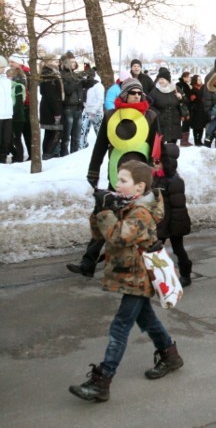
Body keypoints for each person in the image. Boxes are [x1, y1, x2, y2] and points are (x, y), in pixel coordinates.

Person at [68, 160, 183, 402]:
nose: (116, 185)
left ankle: (102, 380)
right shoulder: (125, 205)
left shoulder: (141, 212)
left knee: (120, 326)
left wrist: (105, 213)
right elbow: (99, 234)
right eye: (117, 179)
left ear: (139, 187)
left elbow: (119, 237)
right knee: (147, 319)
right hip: (130, 274)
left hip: (138, 276)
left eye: (123, 181)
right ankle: (170, 356)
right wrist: (99, 210)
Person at [66, 78, 158, 277]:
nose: (136, 96)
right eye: (132, 92)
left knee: (140, 221)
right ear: (124, 94)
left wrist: (155, 172)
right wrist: (93, 171)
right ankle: (88, 263)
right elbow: (100, 146)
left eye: (139, 93)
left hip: (140, 177)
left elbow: (155, 147)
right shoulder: (111, 116)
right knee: (103, 216)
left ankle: (146, 264)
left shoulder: (150, 116)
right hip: (118, 174)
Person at [152, 141, 193, 286]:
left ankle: (186, 273)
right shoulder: (156, 178)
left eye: (158, 161)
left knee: (178, 249)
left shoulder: (175, 181)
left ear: (167, 163)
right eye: (154, 161)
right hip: (161, 221)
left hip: (174, 222)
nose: (155, 164)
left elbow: (178, 207)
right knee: (155, 249)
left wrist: (176, 227)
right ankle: (158, 276)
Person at [39, 54, 63, 160]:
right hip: (51, 109)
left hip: (47, 108)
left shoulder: (48, 73)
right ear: (49, 62)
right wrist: (57, 113)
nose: (57, 62)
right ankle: (47, 155)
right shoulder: (49, 75)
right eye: (54, 60)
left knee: (49, 133)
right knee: (56, 133)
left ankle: (46, 155)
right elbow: (51, 96)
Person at [8, 54, 32, 162]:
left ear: (19, 63)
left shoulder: (22, 75)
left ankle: (20, 156)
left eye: (12, 62)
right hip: (24, 107)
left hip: (24, 107)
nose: (10, 64)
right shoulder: (21, 73)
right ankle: (25, 155)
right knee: (22, 134)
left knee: (22, 134)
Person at [59, 52, 84, 156]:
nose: (74, 64)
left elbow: (82, 87)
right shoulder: (62, 75)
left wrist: (90, 79)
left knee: (76, 137)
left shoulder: (75, 75)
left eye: (74, 61)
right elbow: (68, 90)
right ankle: (64, 156)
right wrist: (77, 80)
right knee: (66, 137)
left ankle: (75, 156)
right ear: (65, 63)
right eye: (71, 62)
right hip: (68, 108)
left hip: (78, 107)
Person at [149, 67, 183, 144]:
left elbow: (185, 102)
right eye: (159, 79)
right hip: (161, 123)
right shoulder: (155, 91)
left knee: (172, 146)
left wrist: (181, 98)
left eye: (162, 79)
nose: (160, 81)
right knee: (161, 147)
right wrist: (157, 114)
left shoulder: (175, 89)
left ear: (168, 80)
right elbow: (149, 105)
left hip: (174, 122)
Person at [79, 71, 104, 150]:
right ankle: (81, 147)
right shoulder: (86, 86)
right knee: (82, 131)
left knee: (99, 133)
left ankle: (102, 149)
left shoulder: (98, 86)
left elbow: (100, 100)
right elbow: (84, 98)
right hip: (86, 111)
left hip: (97, 113)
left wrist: (94, 110)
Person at [188, 74, 207, 146]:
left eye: (200, 79)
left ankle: (200, 140)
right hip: (195, 110)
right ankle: (196, 140)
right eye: (198, 79)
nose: (200, 80)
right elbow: (192, 98)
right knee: (196, 126)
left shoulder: (203, 87)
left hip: (202, 109)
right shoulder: (192, 88)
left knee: (201, 126)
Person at [176, 71, 193, 147]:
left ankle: (185, 140)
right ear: (184, 77)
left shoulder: (187, 85)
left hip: (187, 106)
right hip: (182, 107)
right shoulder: (179, 85)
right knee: (184, 122)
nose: (189, 78)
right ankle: (183, 140)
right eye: (188, 77)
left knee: (187, 123)